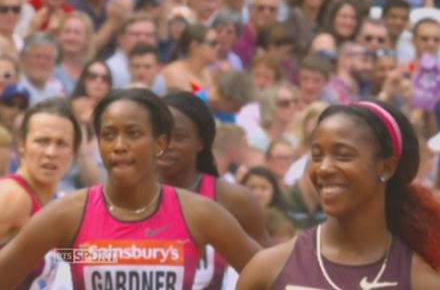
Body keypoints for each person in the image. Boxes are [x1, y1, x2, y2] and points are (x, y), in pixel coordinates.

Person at [0, 88, 261, 288]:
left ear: (160, 144)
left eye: (133, 134)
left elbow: (275, 276)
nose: (119, 145)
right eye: (109, 134)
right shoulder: (68, 213)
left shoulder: (201, 214)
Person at [237, 100, 440, 289]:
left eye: (343, 156)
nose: (324, 168)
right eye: (317, 156)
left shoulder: (422, 282)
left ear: (386, 167)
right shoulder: (268, 269)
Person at [159, 91, 270, 289]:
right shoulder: (127, 199)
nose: (167, 146)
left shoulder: (233, 200)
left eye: (179, 137)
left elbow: (273, 274)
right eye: (160, 135)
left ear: (201, 142)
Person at [0, 98, 80, 289]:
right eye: (42, 141)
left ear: (74, 152)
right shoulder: (13, 196)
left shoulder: (57, 203)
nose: (51, 152)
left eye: (61, 143)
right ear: (22, 144)